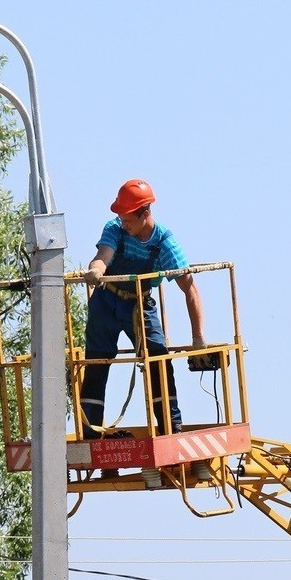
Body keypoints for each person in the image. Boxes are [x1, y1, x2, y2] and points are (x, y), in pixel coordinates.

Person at [80, 178, 205, 439]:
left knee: (158, 360)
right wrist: (95, 269)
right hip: (106, 300)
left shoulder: (165, 244)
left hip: (139, 304)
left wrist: (198, 340)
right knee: (96, 361)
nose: (124, 224)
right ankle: (90, 432)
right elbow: (104, 255)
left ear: (145, 214)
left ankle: (170, 428)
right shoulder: (115, 228)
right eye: (122, 219)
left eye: (128, 220)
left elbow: (190, 288)